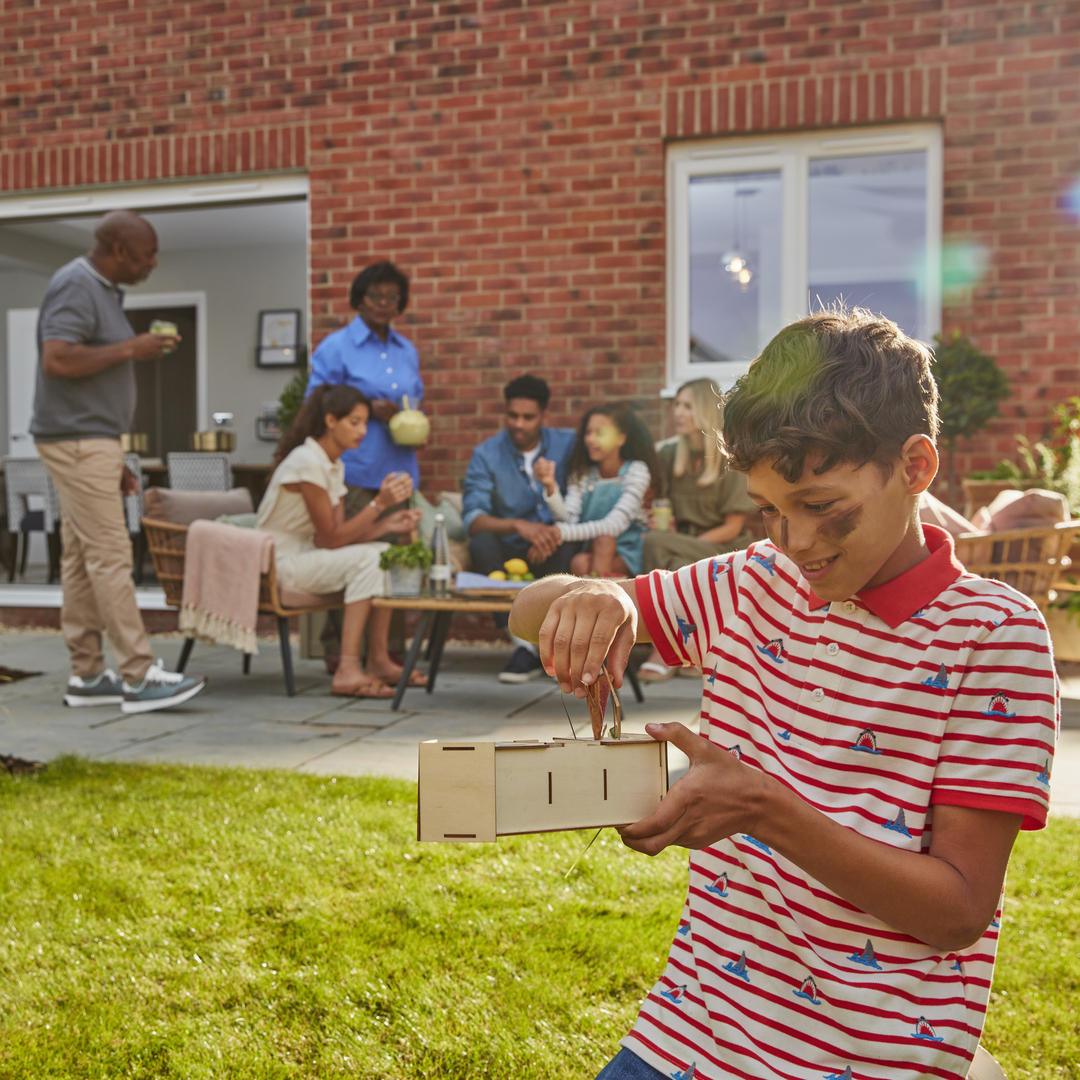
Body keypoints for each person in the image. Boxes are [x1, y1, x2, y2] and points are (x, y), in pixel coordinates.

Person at [509, 309, 1054, 1080]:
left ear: (916, 466)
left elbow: (958, 911)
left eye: (823, 505)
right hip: (687, 1031)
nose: (795, 544)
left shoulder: (993, 636)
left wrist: (767, 811)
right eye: (769, 509)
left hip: (867, 1056)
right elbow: (522, 613)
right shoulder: (750, 582)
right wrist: (601, 597)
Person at [32, 209, 206, 714]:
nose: (153, 262)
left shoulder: (103, 291)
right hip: (78, 440)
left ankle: (87, 675)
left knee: (81, 560)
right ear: (121, 250)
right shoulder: (76, 285)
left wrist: (115, 454)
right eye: (148, 253)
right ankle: (138, 675)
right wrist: (132, 347)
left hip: (91, 440)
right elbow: (57, 358)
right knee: (111, 555)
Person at [257, 383, 423, 698]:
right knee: (371, 558)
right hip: (281, 563)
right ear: (331, 421)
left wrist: (386, 523)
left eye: (365, 422)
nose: (362, 430)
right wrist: (380, 504)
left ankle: (377, 659)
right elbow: (331, 539)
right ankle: (348, 669)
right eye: (354, 422)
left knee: (383, 552)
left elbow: (339, 535)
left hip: (308, 554)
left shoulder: (333, 463)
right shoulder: (307, 461)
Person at [306, 261, 423, 667]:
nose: (384, 303)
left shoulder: (407, 350)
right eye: (376, 295)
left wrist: (414, 424)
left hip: (398, 469)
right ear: (360, 298)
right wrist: (367, 408)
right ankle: (342, 652)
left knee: (395, 563)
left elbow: (414, 403)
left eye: (392, 297)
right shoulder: (336, 347)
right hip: (354, 471)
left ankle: (387, 654)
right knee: (352, 559)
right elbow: (318, 403)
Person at [637, 378, 758, 682]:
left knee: (662, 549)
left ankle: (661, 648)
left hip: (725, 548)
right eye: (677, 404)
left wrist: (683, 547)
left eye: (687, 406)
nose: (678, 412)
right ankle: (690, 647)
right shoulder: (668, 456)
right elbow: (664, 509)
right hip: (684, 547)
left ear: (705, 410)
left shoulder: (730, 459)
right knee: (669, 555)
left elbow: (733, 526)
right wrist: (670, 531)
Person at [463, 374, 577, 683]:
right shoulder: (486, 454)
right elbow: (472, 519)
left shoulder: (568, 444)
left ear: (544, 416)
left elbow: (582, 499)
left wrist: (549, 533)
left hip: (556, 544)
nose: (519, 424)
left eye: (529, 417)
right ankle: (524, 646)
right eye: (512, 415)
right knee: (481, 542)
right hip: (510, 548)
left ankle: (551, 643)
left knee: (569, 546)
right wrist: (519, 526)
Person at [535, 402, 657, 578]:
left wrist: (560, 532)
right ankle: (598, 600)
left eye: (600, 433)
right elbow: (569, 519)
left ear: (620, 439)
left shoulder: (637, 471)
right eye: (588, 432)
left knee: (605, 539)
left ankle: (596, 601)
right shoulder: (582, 474)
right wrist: (550, 485)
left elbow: (613, 526)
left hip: (628, 554)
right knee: (579, 562)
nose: (590, 439)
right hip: (592, 551)